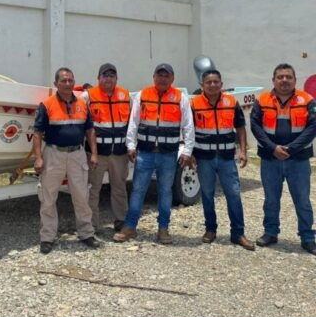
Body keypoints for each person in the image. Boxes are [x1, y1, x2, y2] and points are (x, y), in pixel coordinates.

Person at [119, 63, 193, 244]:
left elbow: (188, 125)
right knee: (137, 190)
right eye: (159, 75)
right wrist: (130, 145)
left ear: (172, 78)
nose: (162, 78)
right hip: (145, 152)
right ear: (153, 77)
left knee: (165, 192)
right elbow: (134, 122)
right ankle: (130, 227)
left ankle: (163, 229)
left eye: (166, 75)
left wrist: (188, 150)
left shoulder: (180, 98)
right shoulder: (142, 95)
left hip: (168, 154)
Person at [30, 67, 98, 254]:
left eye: (70, 80)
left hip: (77, 154)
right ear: (56, 84)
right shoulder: (47, 104)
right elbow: (37, 133)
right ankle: (47, 237)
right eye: (63, 81)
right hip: (53, 154)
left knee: (81, 196)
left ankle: (86, 233)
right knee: (48, 197)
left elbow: (90, 130)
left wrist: (93, 153)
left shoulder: (83, 104)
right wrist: (38, 158)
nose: (67, 84)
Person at [252, 62, 316, 252]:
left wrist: (290, 149)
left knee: (303, 200)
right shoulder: (262, 100)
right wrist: (273, 148)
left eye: (288, 77)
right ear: (273, 80)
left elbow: (313, 127)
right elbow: (255, 126)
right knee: (271, 199)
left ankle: (307, 237)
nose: (284, 80)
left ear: (295, 80)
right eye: (280, 77)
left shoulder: (307, 100)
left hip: (298, 160)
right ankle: (271, 232)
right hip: (271, 160)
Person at [189, 68, 253, 249]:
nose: (212, 85)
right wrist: (191, 153)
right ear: (202, 85)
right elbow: (189, 130)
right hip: (204, 158)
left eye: (215, 82)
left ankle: (238, 233)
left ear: (221, 84)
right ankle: (210, 229)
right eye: (208, 82)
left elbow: (240, 127)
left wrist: (243, 150)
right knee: (207, 195)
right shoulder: (194, 104)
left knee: (233, 194)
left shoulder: (231, 102)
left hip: (226, 158)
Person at [84, 63, 132, 237]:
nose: (108, 78)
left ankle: (121, 220)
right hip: (96, 154)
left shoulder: (126, 96)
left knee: (119, 187)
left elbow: (133, 124)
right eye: (105, 75)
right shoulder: (87, 96)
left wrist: (132, 147)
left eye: (112, 75)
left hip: (119, 153)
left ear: (116, 79)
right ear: (98, 78)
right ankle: (91, 224)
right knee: (92, 189)